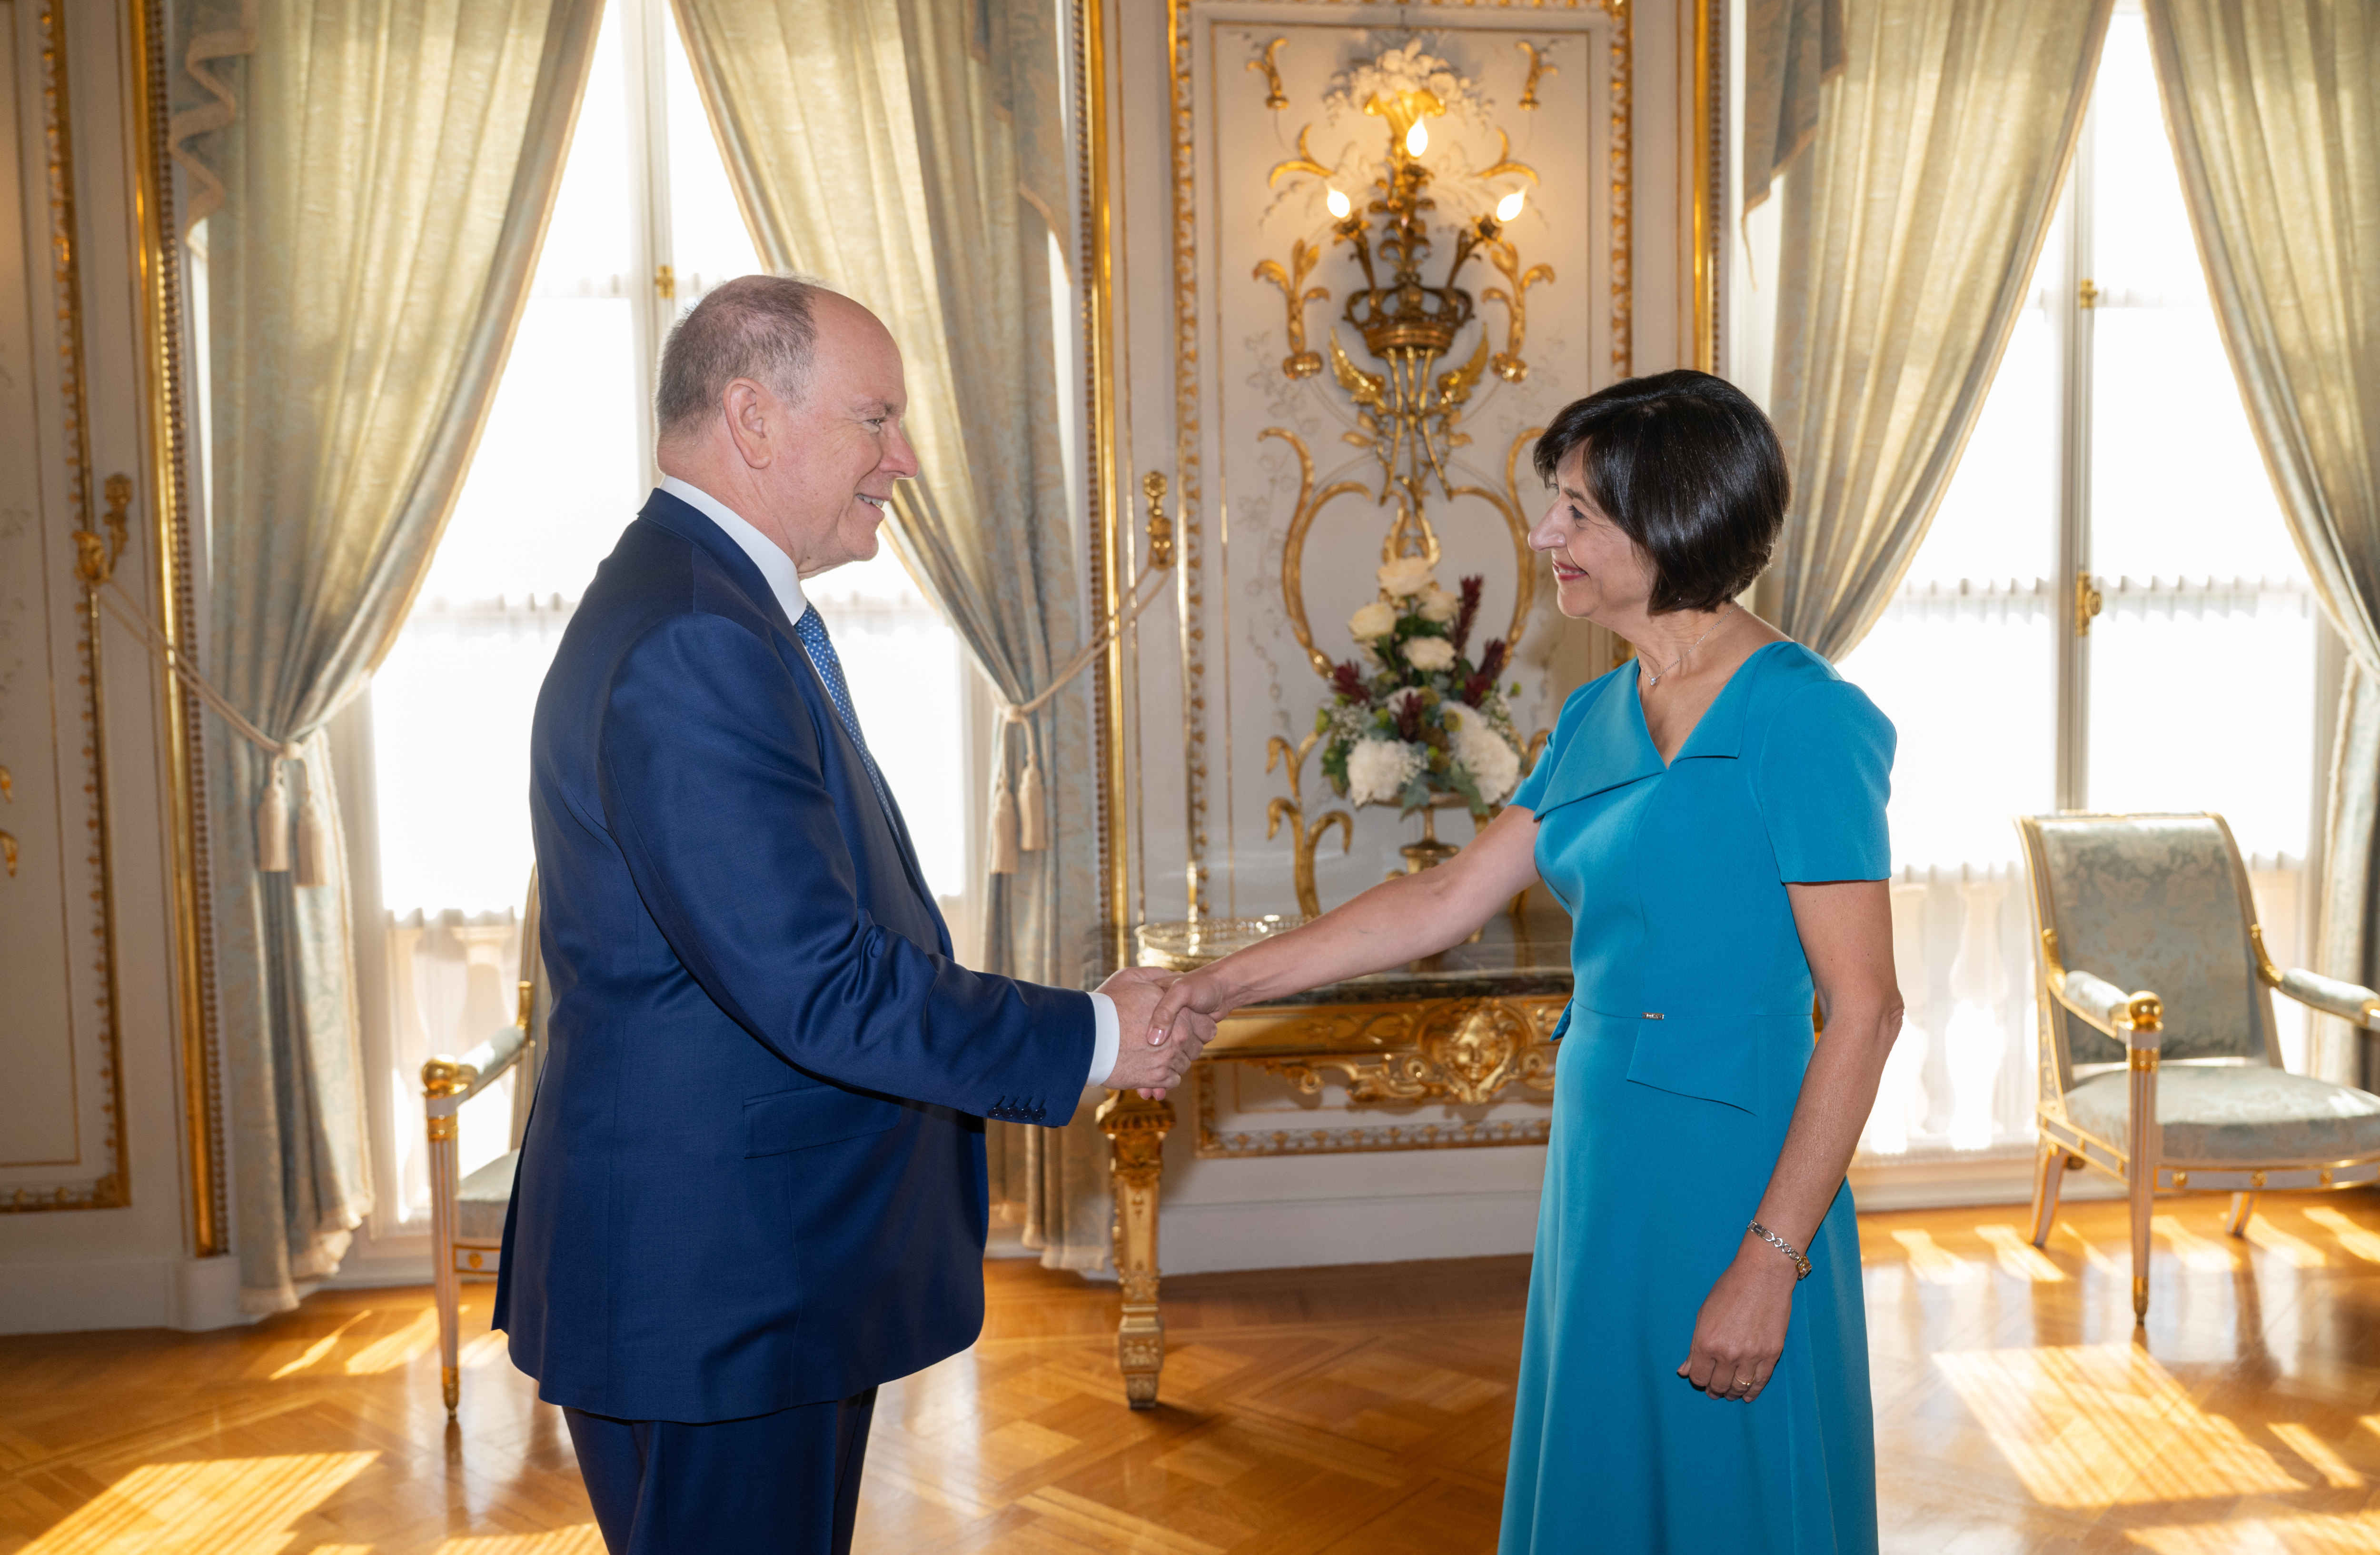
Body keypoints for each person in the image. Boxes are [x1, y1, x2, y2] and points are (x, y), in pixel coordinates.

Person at [496, 276, 1210, 1555]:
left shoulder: (703, 603)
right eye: (876, 419)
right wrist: (1093, 1037)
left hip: (744, 1265)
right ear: (753, 418)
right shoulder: (693, 639)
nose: (908, 458)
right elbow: (814, 978)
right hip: (724, 1279)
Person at [1149, 369, 1901, 1554]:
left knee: (1730, 1490)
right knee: (1605, 1465)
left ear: (1676, 519)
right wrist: (1210, 986)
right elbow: (1444, 897)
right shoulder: (1600, 713)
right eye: (1554, 502)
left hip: (1737, 1170)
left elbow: (1863, 1014)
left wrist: (1770, 1260)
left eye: (1576, 510)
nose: (1545, 532)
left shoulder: (1805, 719)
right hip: (1604, 1153)